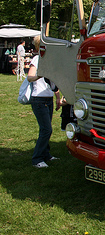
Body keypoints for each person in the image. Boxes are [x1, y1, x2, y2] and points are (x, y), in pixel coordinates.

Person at [27, 35, 61, 168]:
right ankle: (37, 159)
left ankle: (46, 155)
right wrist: (39, 76)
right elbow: (30, 77)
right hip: (39, 99)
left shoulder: (48, 60)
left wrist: (57, 97)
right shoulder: (37, 59)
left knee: (46, 129)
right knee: (46, 130)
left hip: (47, 99)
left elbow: (53, 82)